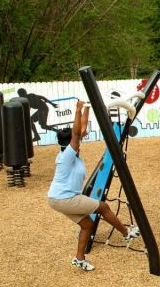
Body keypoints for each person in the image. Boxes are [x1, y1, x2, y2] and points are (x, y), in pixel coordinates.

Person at [47, 101, 139, 271]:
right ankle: (127, 233)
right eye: (78, 138)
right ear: (71, 143)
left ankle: (79, 258)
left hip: (59, 198)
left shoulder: (69, 151)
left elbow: (79, 131)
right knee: (103, 207)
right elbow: (76, 133)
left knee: (87, 225)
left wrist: (88, 107)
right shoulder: (67, 154)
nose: (83, 135)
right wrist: (77, 110)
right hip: (65, 198)